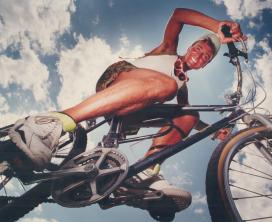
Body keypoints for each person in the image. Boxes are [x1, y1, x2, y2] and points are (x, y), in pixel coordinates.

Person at [8, 8, 246, 215]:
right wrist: (216, 27)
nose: (200, 54)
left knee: (189, 114)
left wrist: (213, 131)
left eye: (205, 56)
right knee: (167, 85)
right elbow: (178, 16)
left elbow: (186, 115)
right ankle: (54, 122)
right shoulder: (169, 50)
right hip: (118, 80)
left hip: (132, 110)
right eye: (199, 47)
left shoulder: (182, 85)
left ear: (204, 64)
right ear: (190, 47)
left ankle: (144, 173)